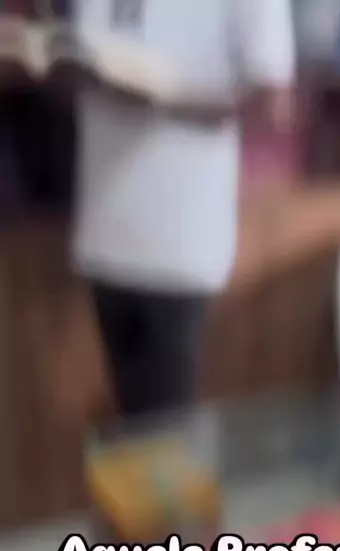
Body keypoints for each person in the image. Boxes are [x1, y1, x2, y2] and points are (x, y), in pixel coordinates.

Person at [72, 0, 296, 418]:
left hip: (178, 242)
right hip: (104, 230)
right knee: (128, 425)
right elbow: (83, 60)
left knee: (164, 433)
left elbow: (272, 105)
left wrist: (163, 102)